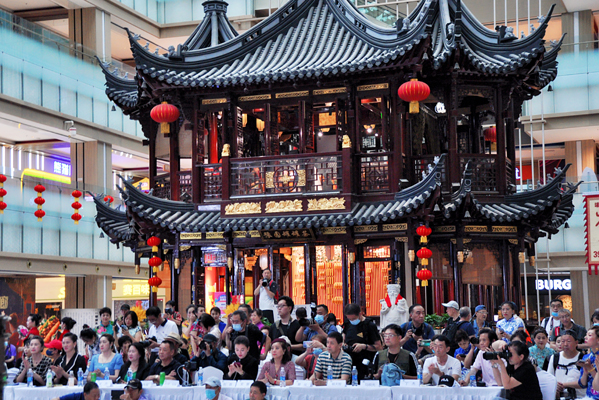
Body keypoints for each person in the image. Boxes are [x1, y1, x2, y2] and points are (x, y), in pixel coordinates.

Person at [343, 303, 382, 380]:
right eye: (349, 319)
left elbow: (379, 347)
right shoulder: (347, 323)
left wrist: (363, 346)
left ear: (360, 314)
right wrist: (344, 344)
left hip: (365, 362)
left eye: (353, 319)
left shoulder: (369, 325)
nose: (351, 321)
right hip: (350, 360)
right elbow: (344, 336)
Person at [546, 330, 586, 399]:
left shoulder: (583, 358)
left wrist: (564, 385)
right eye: (563, 341)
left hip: (580, 397)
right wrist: (555, 386)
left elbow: (585, 382)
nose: (565, 344)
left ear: (576, 343)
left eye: (568, 341)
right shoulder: (555, 358)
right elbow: (549, 378)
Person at [578, 326, 599, 399]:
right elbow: (582, 384)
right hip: (589, 396)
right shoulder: (586, 357)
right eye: (586, 335)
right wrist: (585, 373)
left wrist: (590, 369)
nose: (585, 337)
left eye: (589, 335)